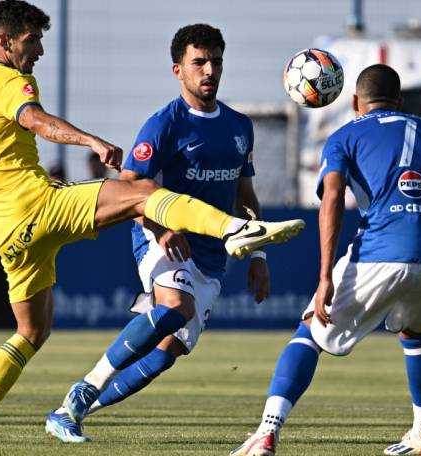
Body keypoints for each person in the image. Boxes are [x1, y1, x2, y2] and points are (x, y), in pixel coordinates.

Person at [0, 0, 304, 444]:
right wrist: (91, 142)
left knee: (31, 333)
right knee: (142, 194)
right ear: (3, 42)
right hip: (38, 207)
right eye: (31, 40)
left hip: (5, 237)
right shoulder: (7, 80)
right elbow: (36, 120)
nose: (37, 50)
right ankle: (233, 229)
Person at [230, 64, 421, 456]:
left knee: (310, 332)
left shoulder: (344, 136)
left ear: (355, 102)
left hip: (383, 247)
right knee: (415, 331)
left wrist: (324, 278)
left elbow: (332, 196)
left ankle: (266, 433)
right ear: (399, 101)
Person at [45, 23, 274, 443]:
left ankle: (68, 412)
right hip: (162, 236)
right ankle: (84, 388)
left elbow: (245, 196)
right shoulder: (164, 124)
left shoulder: (240, 126)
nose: (209, 71)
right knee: (175, 308)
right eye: (198, 62)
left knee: (168, 353)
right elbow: (129, 187)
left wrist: (258, 256)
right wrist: (160, 226)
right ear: (177, 70)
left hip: (211, 254)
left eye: (216, 62)